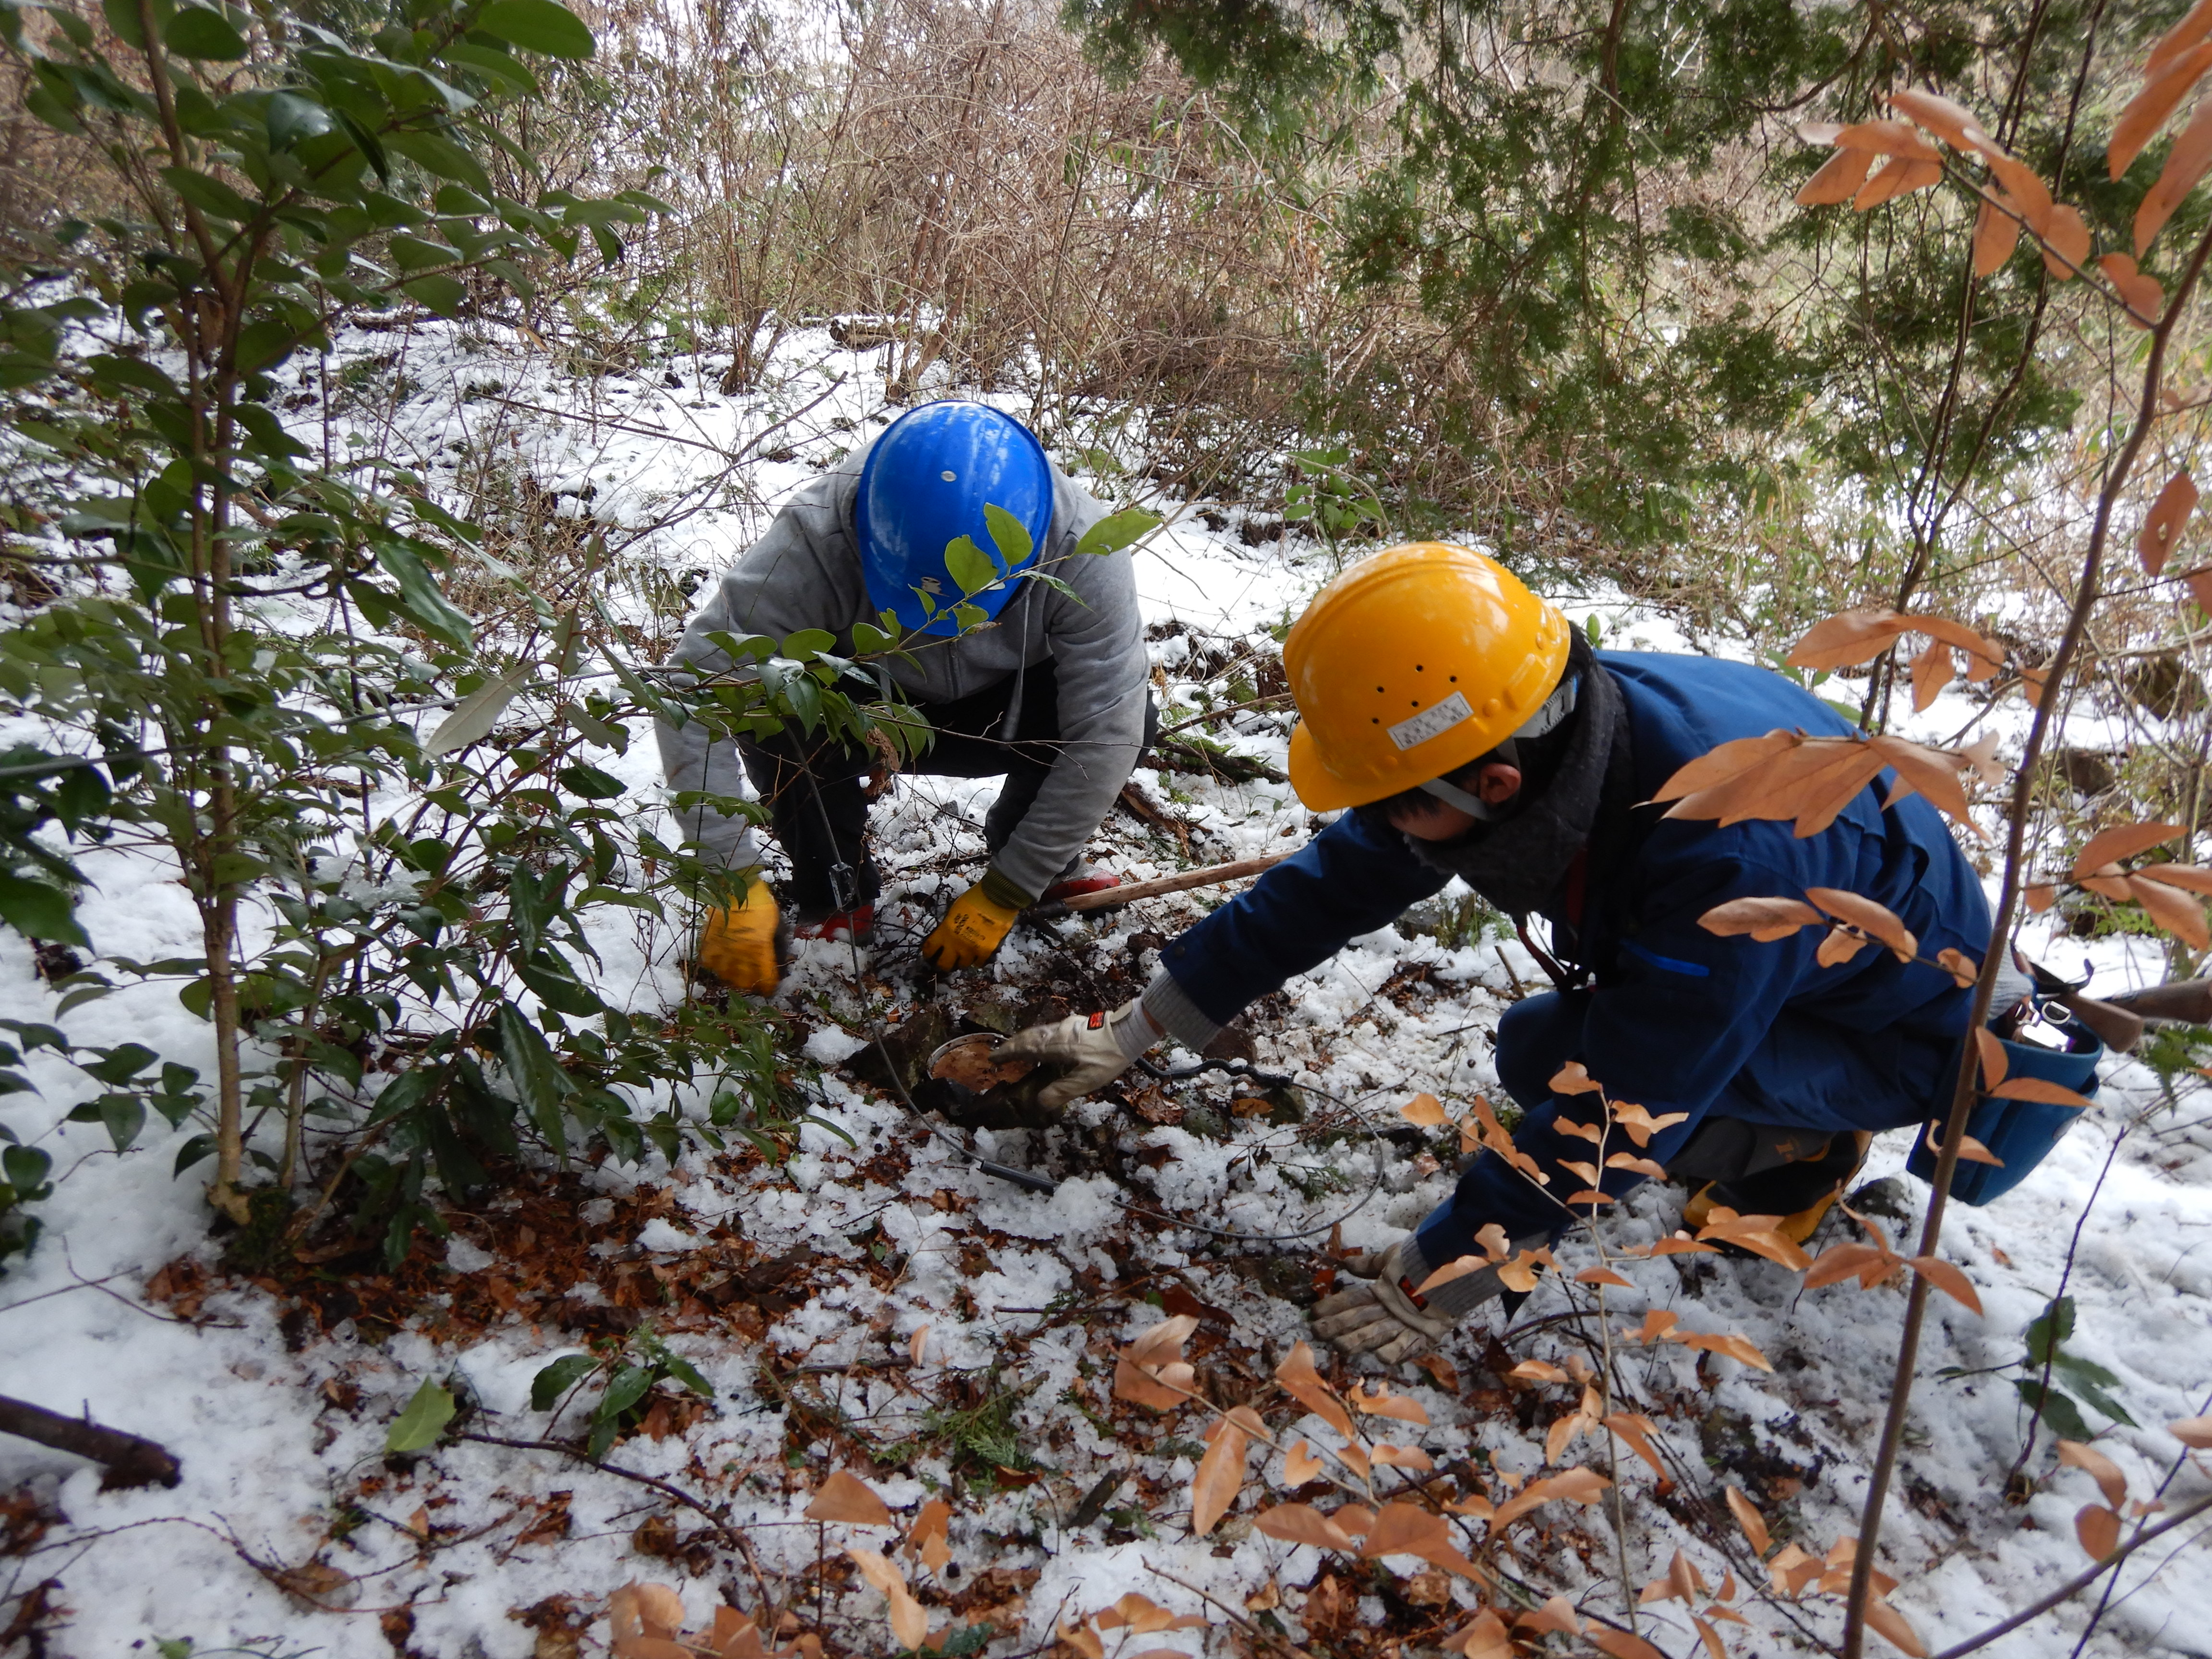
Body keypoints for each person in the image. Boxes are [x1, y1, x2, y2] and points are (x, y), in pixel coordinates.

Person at [1002, 541, 2021, 1363]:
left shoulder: (1724, 856)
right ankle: (1762, 1107)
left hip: (1899, 1037)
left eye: (1392, 802)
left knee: (1566, 1062)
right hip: (1793, 968)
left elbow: (1626, 1103)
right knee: (1546, 1046)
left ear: (1491, 786)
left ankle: (1796, 1151)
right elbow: (1325, 889)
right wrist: (1136, 1032)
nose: (1380, 823)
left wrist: (1454, 1267)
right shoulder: (1538, 724)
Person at [657, 400, 1155, 993]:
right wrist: (728, 876)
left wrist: (1009, 888)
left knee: (1132, 716)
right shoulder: (819, 534)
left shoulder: (1081, 550)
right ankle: (835, 893)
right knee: (772, 702)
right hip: (863, 709)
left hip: (1005, 716)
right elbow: (699, 685)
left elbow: (1108, 731)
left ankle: (1036, 860)